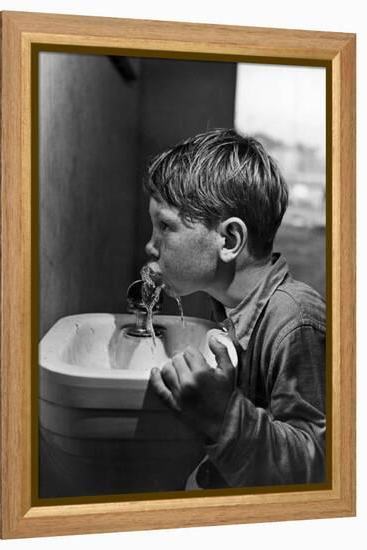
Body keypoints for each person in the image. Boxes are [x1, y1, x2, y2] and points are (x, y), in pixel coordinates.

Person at [144, 128, 326, 489]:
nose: (151, 246)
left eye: (165, 226)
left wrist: (223, 416)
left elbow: (320, 467)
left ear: (229, 240)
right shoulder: (228, 309)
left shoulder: (294, 319)